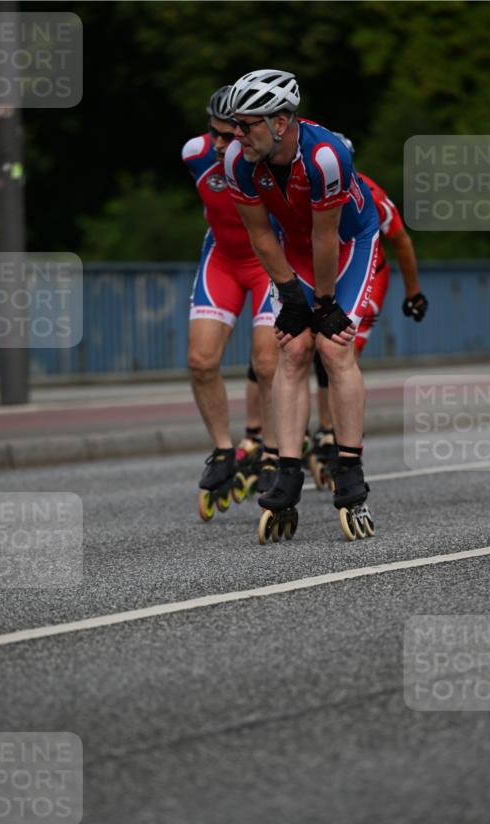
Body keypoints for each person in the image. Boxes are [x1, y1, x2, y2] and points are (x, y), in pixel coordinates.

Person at [225, 69, 378, 541]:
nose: (236, 134)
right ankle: (287, 471)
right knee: (291, 349)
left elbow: (326, 237)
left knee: (333, 347)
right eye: (233, 124)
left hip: (348, 246)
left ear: (280, 122)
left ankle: (349, 469)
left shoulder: (326, 156)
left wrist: (325, 304)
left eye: (246, 124)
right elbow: (260, 235)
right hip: (294, 248)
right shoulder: (238, 160)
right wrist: (291, 294)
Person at [309, 132, 428, 488]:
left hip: (369, 276)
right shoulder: (309, 189)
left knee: (340, 350)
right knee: (311, 352)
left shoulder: (371, 193)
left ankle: (339, 436)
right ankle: (323, 430)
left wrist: (413, 292)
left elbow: (401, 240)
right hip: (327, 277)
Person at [183, 86, 279, 520]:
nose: (220, 143)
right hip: (222, 259)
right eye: (214, 133)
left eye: (230, 134)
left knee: (268, 363)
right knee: (201, 361)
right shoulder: (195, 154)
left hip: (268, 264)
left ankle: (275, 452)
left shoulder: (269, 159)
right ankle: (223, 451)